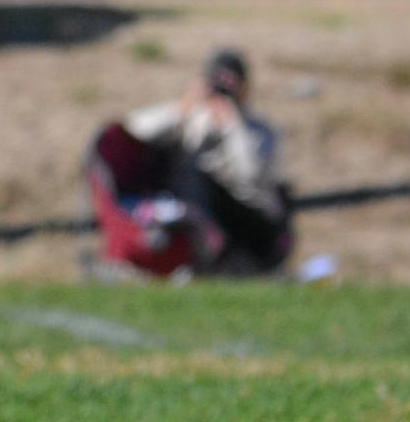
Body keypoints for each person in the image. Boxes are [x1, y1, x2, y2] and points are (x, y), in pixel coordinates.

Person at [114, 49, 292, 276]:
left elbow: (250, 176)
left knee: (200, 176)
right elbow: (134, 129)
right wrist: (183, 107)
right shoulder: (193, 119)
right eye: (216, 81)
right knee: (191, 169)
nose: (223, 90)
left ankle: (217, 248)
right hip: (196, 209)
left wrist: (231, 126)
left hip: (247, 214)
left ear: (246, 89)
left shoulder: (261, 131)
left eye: (231, 83)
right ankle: (203, 246)